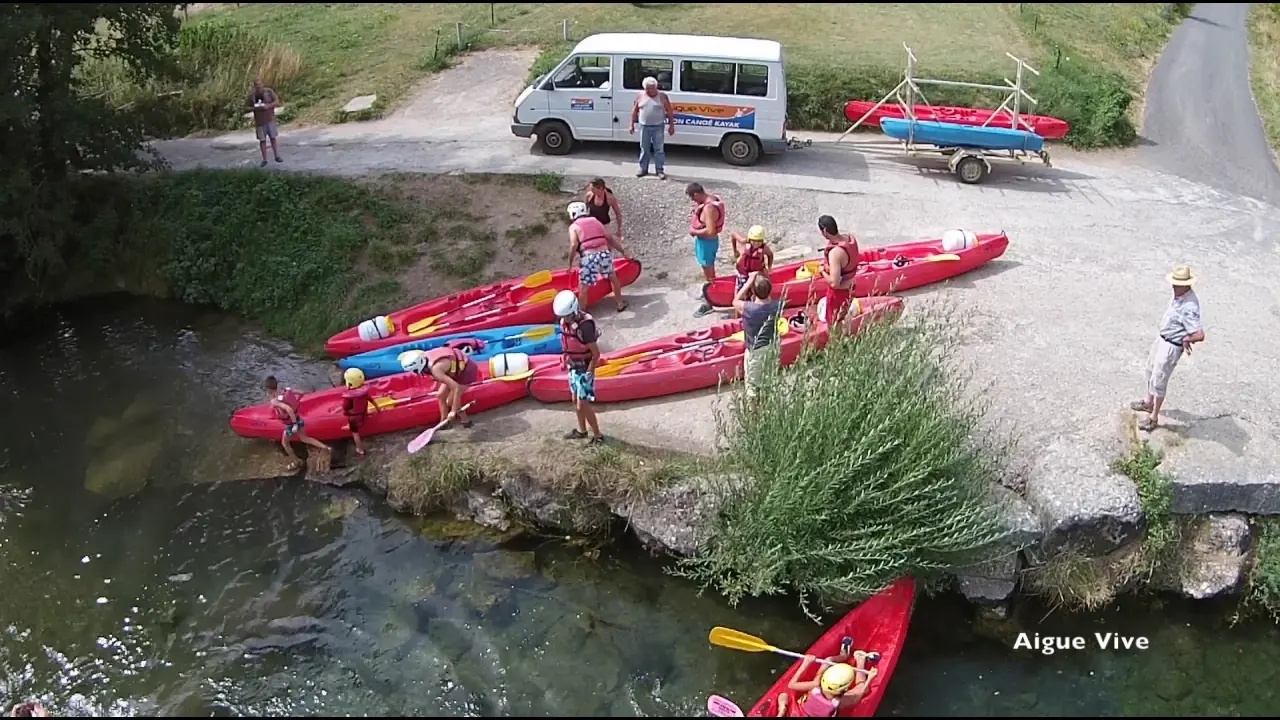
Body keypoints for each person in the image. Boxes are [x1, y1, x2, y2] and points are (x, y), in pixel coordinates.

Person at [1131, 265, 1205, 431]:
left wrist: (1186, 338)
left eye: (1176, 283)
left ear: (1185, 285)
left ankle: (1153, 417)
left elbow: (1199, 334)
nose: (1173, 286)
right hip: (1162, 339)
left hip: (1171, 346)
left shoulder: (1189, 306)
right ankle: (1148, 402)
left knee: (1160, 380)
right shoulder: (1178, 295)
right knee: (1150, 371)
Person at [775, 641, 881, 718]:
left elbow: (791, 685)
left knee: (828, 661)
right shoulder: (837, 701)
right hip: (803, 711)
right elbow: (860, 694)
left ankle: (844, 655)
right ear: (844, 690)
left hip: (800, 712)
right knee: (861, 687)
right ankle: (860, 660)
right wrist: (869, 679)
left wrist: (805, 663)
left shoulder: (815, 687)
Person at [553, 289, 605, 444]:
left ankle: (598, 435)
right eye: (561, 317)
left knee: (582, 404)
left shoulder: (585, 326)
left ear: (574, 310)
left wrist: (590, 372)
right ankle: (582, 431)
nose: (564, 320)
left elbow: (596, 354)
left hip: (585, 368)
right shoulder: (564, 322)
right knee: (574, 399)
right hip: (573, 366)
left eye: (567, 316)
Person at [567, 201, 629, 314]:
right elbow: (610, 238)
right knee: (613, 278)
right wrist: (623, 252)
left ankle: (581, 312)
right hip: (604, 253)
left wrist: (570, 263)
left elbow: (574, 244)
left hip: (589, 257)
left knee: (583, 286)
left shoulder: (574, 227)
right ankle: (620, 303)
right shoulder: (596, 221)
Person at [733, 273, 784, 401]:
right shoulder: (777, 306)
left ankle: (754, 414)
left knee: (753, 386)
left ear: (753, 291)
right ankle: (768, 407)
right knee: (768, 380)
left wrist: (749, 281)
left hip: (755, 351)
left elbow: (735, 301)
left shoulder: (749, 309)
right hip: (772, 347)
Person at [264, 376, 331, 472]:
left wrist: (294, 424)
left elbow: (289, 409)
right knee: (304, 438)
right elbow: (301, 392)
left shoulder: (275, 401)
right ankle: (326, 447)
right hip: (299, 418)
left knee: (285, 443)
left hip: (291, 424)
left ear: (269, 389)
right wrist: (309, 393)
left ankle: (296, 462)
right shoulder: (286, 390)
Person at [401, 347, 478, 429]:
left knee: (450, 401)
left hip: (466, 372)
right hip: (454, 370)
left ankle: (465, 420)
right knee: (440, 395)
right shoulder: (426, 357)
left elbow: (456, 387)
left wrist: (453, 410)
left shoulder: (435, 370)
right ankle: (444, 422)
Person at [688, 182, 727, 317]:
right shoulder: (712, 199)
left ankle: (709, 302)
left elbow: (710, 231)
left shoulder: (709, 208)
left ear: (697, 194)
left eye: (693, 198)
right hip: (706, 242)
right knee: (707, 270)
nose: (693, 201)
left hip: (707, 242)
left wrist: (694, 231)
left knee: (709, 273)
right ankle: (708, 293)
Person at [815, 215, 859, 327]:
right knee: (842, 315)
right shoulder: (849, 238)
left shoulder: (835, 253)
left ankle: (836, 339)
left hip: (840, 293)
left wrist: (822, 271)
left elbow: (835, 283)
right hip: (851, 287)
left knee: (834, 321)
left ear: (825, 231)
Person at [628, 76, 676, 179]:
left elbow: (670, 112)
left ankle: (659, 170)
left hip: (658, 126)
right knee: (644, 148)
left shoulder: (662, 96)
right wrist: (631, 124)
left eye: (653, 88)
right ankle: (643, 168)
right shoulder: (640, 96)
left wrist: (671, 126)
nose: (651, 90)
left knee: (659, 149)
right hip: (644, 126)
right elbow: (635, 111)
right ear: (645, 89)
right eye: (648, 88)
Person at [729, 225, 775, 318]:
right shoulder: (744, 242)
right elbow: (733, 234)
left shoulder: (764, 248)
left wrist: (768, 267)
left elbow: (770, 255)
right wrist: (735, 251)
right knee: (739, 294)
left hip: (756, 274)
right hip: (743, 274)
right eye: (754, 240)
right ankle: (737, 318)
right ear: (750, 238)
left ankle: (755, 311)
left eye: (759, 241)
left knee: (756, 295)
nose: (756, 243)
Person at [246, 76, 283, 168]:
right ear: (254, 86)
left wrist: (268, 106)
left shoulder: (269, 91)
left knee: (273, 138)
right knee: (262, 141)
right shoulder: (252, 95)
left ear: (263, 84)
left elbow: (277, 101)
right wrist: (255, 108)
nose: (258, 86)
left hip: (270, 119)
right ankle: (264, 159)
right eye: (256, 85)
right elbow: (245, 108)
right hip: (259, 121)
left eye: (260, 84)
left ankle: (276, 156)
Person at [340, 367, 377, 456]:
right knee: (361, 418)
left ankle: (360, 449)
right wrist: (377, 408)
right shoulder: (364, 392)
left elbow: (345, 407)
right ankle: (361, 423)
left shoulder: (349, 397)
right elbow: (371, 400)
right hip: (363, 413)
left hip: (353, 418)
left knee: (355, 433)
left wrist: (343, 412)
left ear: (349, 383)